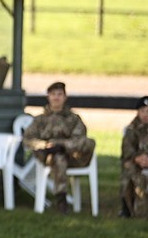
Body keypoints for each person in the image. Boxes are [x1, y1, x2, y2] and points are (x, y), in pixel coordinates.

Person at [23, 81, 96, 214]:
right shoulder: (40, 120)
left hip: (73, 155)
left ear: (65, 97)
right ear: (48, 97)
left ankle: (60, 147)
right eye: (53, 94)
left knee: (89, 142)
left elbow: (79, 138)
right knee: (58, 157)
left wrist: (63, 145)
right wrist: (45, 145)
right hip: (50, 157)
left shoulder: (73, 118)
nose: (56, 97)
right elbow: (28, 139)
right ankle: (61, 199)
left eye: (59, 94)